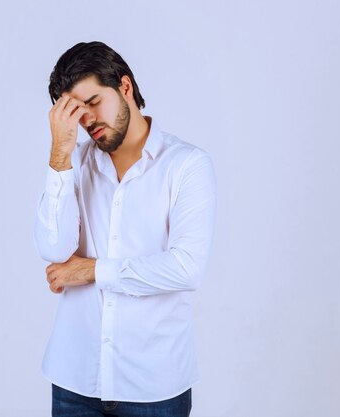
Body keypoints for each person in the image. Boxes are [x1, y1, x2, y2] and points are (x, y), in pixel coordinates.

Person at [34, 41, 217, 417]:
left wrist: (90, 270)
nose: (87, 120)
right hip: (75, 380)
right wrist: (59, 154)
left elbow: (185, 268)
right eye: (74, 112)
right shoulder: (74, 164)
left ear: (125, 87)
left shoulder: (186, 166)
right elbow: (54, 250)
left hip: (154, 385)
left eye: (94, 101)